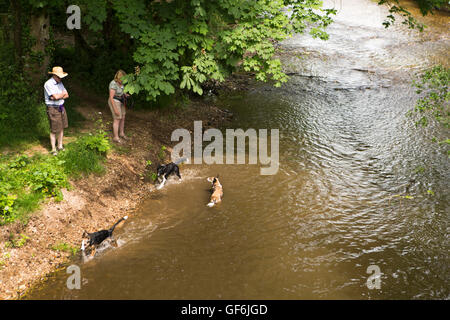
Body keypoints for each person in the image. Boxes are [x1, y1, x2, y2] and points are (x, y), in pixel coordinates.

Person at [44, 66, 69, 155]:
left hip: (61, 107)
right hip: (53, 108)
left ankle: (60, 146)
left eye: (61, 77)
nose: (60, 78)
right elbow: (56, 97)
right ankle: (53, 149)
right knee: (54, 129)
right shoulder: (48, 84)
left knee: (61, 127)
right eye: (59, 76)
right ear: (54, 75)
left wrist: (58, 96)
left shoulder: (60, 83)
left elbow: (66, 95)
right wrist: (58, 96)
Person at [108, 70, 129, 143]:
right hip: (114, 100)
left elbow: (122, 92)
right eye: (122, 79)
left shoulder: (122, 83)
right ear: (118, 78)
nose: (123, 81)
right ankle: (116, 137)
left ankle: (121, 133)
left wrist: (125, 95)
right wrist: (115, 109)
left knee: (123, 117)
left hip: (121, 100)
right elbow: (111, 97)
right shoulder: (113, 83)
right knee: (117, 118)